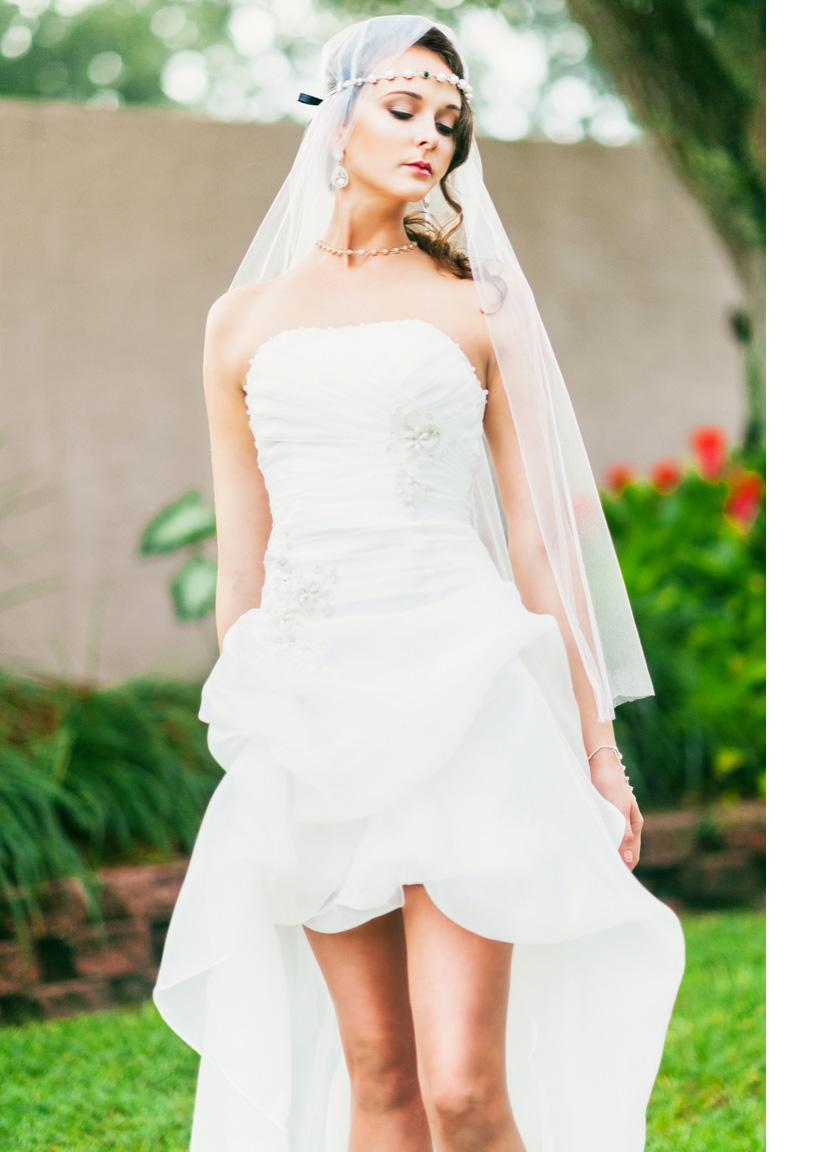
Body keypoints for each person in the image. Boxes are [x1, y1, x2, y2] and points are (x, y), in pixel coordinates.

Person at [153, 14, 685, 1152]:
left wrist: (598, 747)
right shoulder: (237, 323)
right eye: (405, 109)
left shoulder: (477, 304)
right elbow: (242, 553)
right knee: (378, 1076)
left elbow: (540, 542)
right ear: (333, 120)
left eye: (450, 121)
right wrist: (253, 729)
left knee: (459, 1087)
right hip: (309, 710)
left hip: (462, 694)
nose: (432, 138)